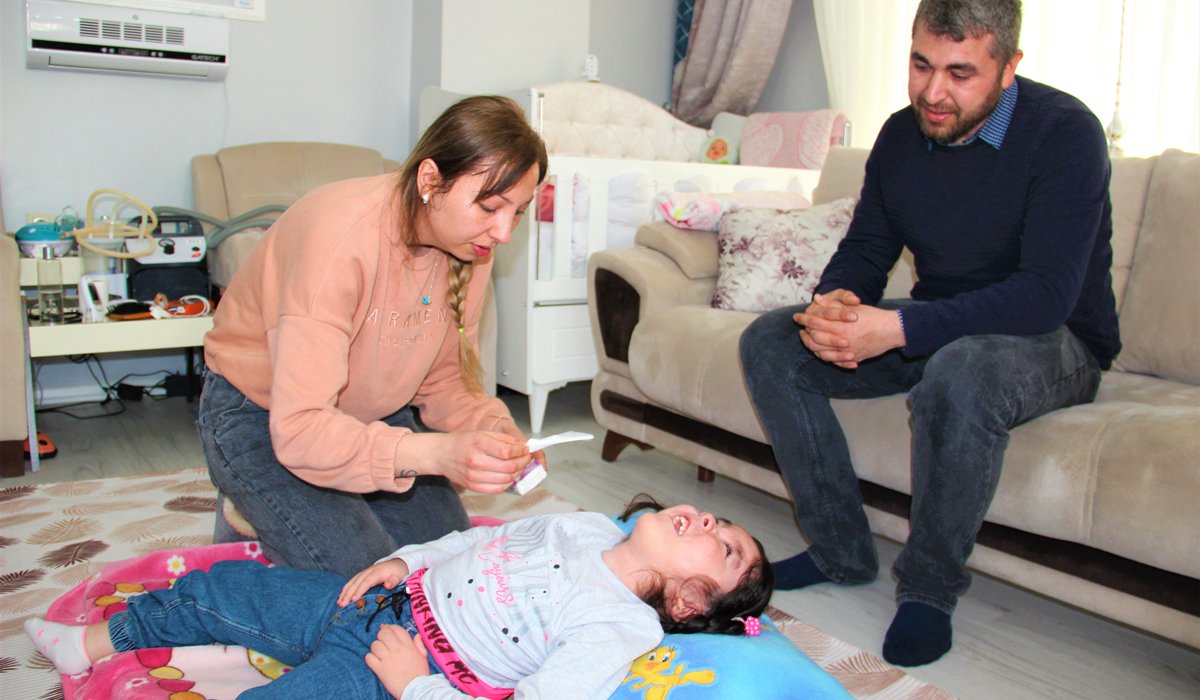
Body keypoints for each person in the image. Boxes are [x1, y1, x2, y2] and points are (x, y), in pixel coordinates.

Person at [739, 0, 1120, 667]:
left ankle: (928, 588)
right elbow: (868, 247)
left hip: (1056, 339)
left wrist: (898, 326)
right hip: (942, 323)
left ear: (1009, 67)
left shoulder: (1065, 133)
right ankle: (840, 551)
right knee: (772, 344)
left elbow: (1045, 295)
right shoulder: (900, 135)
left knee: (962, 370)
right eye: (921, 65)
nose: (933, 92)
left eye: (960, 73)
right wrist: (837, 301)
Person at [198, 95, 550, 578]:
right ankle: (251, 503)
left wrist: (495, 431)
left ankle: (322, 497)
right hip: (263, 415)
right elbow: (301, 429)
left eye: (519, 212)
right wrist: (435, 454)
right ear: (430, 181)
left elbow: (444, 383)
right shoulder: (339, 238)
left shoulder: (473, 247)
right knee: (369, 588)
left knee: (450, 570)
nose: (504, 232)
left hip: (375, 415)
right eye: (490, 207)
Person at [25, 496, 774, 699]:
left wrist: (414, 684)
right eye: (719, 519)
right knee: (229, 590)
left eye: (725, 547)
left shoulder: (618, 627)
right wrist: (402, 560)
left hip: (399, 669)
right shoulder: (582, 526)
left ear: (688, 603)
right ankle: (92, 644)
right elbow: (474, 541)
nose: (710, 521)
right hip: (376, 601)